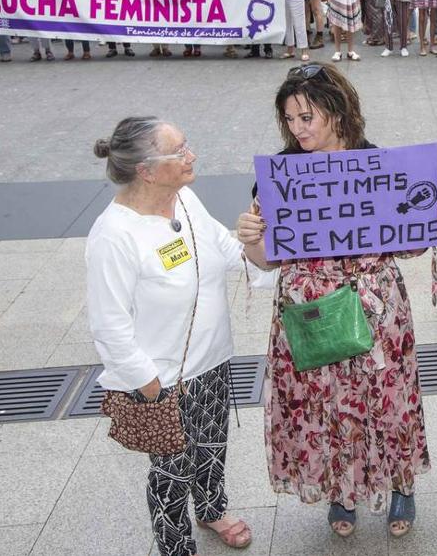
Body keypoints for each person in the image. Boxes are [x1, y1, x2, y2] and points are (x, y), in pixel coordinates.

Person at [242, 64, 430, 537]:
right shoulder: (279, 176)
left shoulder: (381, 166)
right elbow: (266, 260)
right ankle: (339, 491)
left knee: (388, 400)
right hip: (310, 314)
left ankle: (400, 485)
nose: (297, 128)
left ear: (339, 112)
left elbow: (409, 243)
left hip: (376, 309)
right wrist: (249, 240)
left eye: (307, 117)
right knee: (324, 405)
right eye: (290, 119)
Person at [86, 117, 262, 556]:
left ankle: (212, 508)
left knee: (212, 445)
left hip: (213, 361)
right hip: (164, 380)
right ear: (146, 170)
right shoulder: (114, 235)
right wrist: (149, 387)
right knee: (171, 472)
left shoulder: (184, 198)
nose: (192, 156)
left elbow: (224, 250)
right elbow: (109, 327)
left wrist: (270, 260)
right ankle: (176, 546)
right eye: (179, 151)